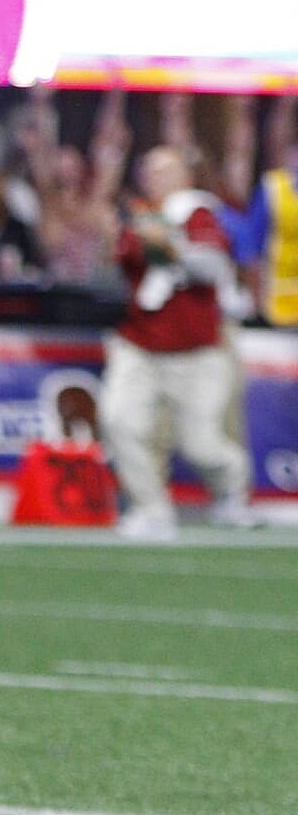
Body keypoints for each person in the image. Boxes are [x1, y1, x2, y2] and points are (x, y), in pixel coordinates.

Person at [104, 148, 253, 538]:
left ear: (185, 176)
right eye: (150, 172)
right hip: (142, 345)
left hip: (198, 349)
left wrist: (172, 246)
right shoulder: (137, 218)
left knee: (202, 443)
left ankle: (230, 493)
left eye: (166, 172)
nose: (157, 180)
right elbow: (120, 267)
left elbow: (213, 267)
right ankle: (150, 507)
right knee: (119, 419)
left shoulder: (198, 213)